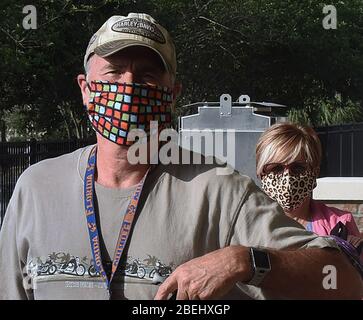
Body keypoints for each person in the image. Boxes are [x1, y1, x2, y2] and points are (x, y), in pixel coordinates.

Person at [0, 13, 361, 300]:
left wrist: (245, 261)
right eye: (114, 71)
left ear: (172, 94)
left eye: (147, 76)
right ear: (86, 89)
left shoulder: (219, 190)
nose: (128, 88)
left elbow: (344, 279)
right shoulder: (36, 187)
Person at [256, 122, 363, 263]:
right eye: (276, 168)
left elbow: (355, 280)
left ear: (314, 172)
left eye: (298, 168)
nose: (287, 177)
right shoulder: (247, 224)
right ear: (261, 174)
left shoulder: (339, 225)